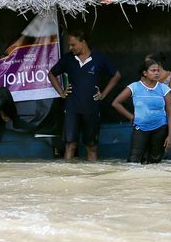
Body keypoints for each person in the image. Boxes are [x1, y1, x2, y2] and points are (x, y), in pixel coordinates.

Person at [48, 29, 120, 161]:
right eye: (69, 45)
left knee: (91, 146)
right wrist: (61, 93)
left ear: (83, 42)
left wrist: (103, 94)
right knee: (70, 145)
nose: (70, 47)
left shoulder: (99, 57)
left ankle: (92, 178)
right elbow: (51, 74)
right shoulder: (68, 58)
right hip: (72, 107)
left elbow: (117, 75)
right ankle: (66, 178)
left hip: (91, 107)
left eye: (73, 44)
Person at [112, 59, 171, 164]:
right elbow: (116, 103)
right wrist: (131, 117)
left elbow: (169, 112)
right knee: (133, 161)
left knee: (155, 161)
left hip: (160, 128)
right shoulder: (134, 87)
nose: (156, 73)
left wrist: (170, 135)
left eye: (158, 70)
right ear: (145, 73)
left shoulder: (164, 88)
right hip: (140, 128)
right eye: (153, 70)